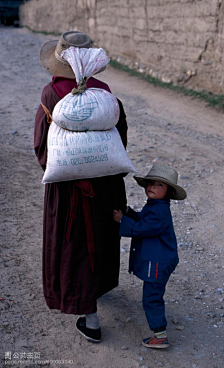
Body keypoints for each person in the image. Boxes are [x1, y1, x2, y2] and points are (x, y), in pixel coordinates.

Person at [34, 31, 128, 343]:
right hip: (107, 184)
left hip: (69, 189)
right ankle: (99, 289)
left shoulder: (52, 95)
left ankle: (91, 319)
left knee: (74, 243)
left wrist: (70, 167)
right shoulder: (106, 93)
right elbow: (120, 140)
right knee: (100, 236)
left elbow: (42, 148)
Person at [113, 163, 187, 348]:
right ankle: (159, 330)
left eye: (159, 185)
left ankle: (160, 335)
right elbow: (144, 219)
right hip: (158, 260)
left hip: (158, 263)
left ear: (169, 192)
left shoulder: (160, 212)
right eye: (150, 183)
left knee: (151, 298)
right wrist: (130, 214)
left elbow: (143, 228)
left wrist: (123, 220)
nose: (152, 187)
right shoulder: (155, 205)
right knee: (152, 294)